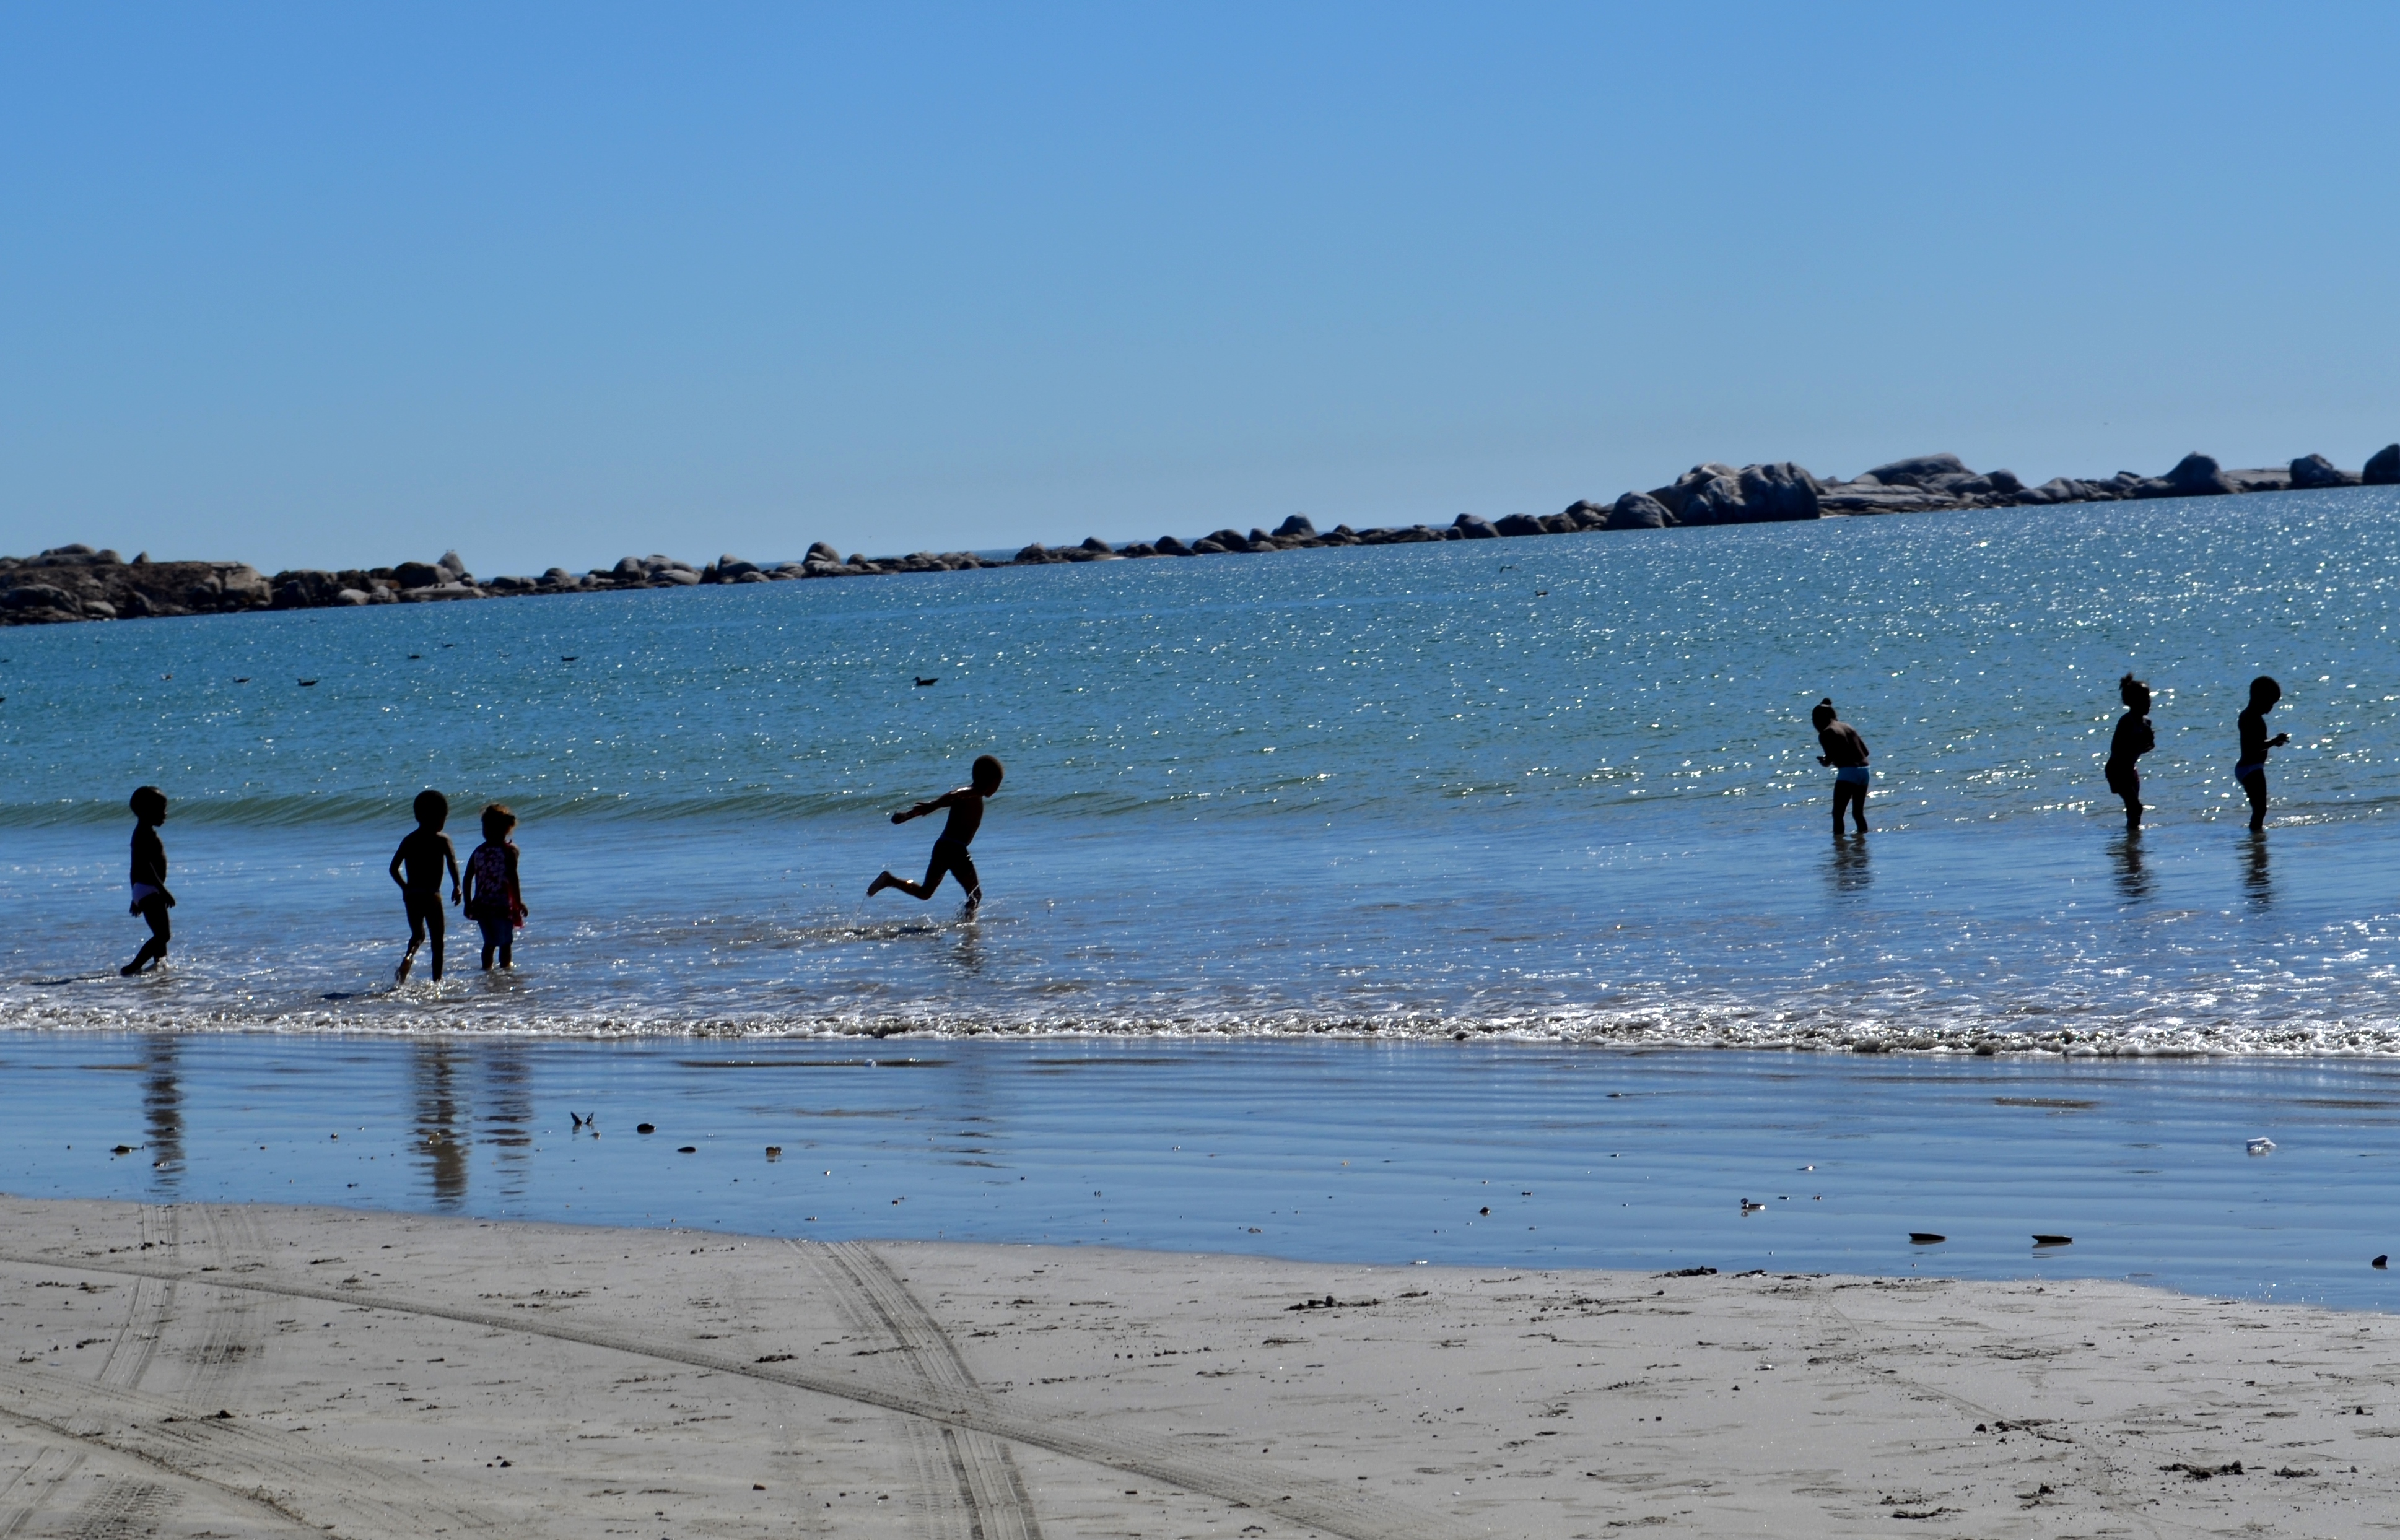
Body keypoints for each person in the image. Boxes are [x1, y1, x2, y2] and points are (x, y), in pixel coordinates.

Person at [868, 755, 1005, 913]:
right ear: (989, 780)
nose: (997, 788)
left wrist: (909, 815)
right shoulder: (972, 792)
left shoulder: (973, 796)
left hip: (943, 847)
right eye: (998, 783)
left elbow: (950, 799)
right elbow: (954, 794)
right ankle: (967, 926)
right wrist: (933, 805)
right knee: (976, 895)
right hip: (955, 849)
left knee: (925, 893)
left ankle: (889, 880)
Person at [388, 789, 462, 982]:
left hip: (412, 895)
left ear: (417, 816)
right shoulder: (442, 840)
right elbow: (452, 863)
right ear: (441, 817)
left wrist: (405, 888)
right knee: (438, 942)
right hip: (432, 895)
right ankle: (437, 981)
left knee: (418, 935)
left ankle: (408, 957)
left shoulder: (409, 840)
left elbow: (393, 869)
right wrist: (457, 886)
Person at [460, 803, 526, 971]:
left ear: (505, 829)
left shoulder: (479, 851)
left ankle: (488, 972)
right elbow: (513, 878)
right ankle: (505, 972)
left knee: (490, 942)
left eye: (489, 827)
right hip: (500, 905)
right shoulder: (508, 850)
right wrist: (519, 902)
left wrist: (468, 902)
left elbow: (468, 878)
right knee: (505, 942)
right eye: (485, 826)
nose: (486, 831)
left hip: (484, 904)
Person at [121, 786, 174, 976]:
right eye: (161, 809)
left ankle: (161, 967)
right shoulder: (144, 835)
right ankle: (133, 967)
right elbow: (145, 867)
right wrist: (163, 890)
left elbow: (134, 868)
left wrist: (135, 896)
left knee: (160, 934)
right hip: (150, 889)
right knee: (163, 935)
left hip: (144, 889)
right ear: (146, 811)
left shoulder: (142, 833)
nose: (165, 814)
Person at [2236, 676, 2290, 831]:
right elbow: (2258, 746)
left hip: (2249, 768)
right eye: (2270, 703)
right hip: (2251, 768)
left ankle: (2256, 838)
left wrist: (2274, 742)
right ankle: (2255, 836)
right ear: (2260, 698)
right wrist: (2276, 740)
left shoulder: (2250, 716)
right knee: (2260, 810)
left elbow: (2258, 743)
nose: (2271, 708)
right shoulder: (2250, 718)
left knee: (2259, 809)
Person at [1812, 698, 1870, 834]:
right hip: (1865, 771)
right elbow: (1866, 752)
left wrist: (1825, 762)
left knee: (1838, 814)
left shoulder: (1826, 733)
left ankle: (1839, 845)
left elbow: (1830, 759)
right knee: (1858, 813)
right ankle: (1863, 842)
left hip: (1848, 773)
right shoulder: (1849, 727)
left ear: (1819, 719)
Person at [2106, 674, 2156, 829]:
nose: (2148, 701)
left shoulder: (2146, 722)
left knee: (2134, 810)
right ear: (2131, 702)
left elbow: (2146, 747)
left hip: (2131, 770)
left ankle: (2132, 837)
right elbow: (2116, 748)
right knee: (2136, 806)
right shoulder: (2126, 721)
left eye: (2148, 697)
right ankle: (2132, 836)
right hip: (2117, 769)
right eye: (2144, 698)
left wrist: (2149, 743)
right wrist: (2137, 740)